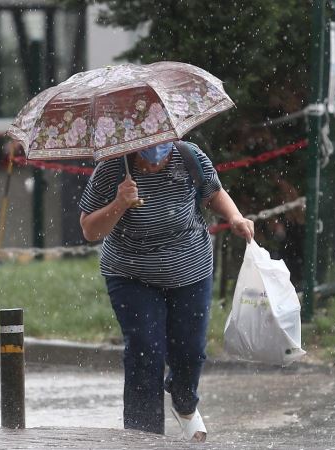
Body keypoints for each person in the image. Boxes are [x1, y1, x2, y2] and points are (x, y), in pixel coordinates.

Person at [79, 141, 253, 442]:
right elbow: (90, 230)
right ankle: (143, 437)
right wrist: (119, 202)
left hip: (190, 270)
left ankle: (185, 402)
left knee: (191, 351)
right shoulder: (111, 168)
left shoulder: (189, 156)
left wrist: (234, 217)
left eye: (164, 144)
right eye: (149, 145)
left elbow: (214, 193)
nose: (158, 152)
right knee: (145, 352)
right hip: (131, 275)